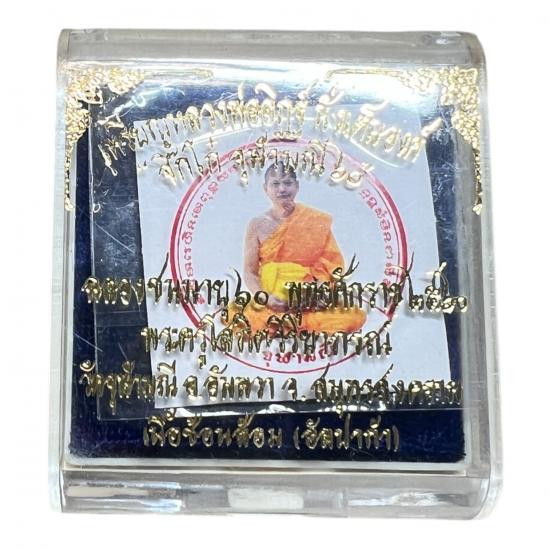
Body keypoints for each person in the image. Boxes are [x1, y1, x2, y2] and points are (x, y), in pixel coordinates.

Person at [233, 161, 366, 333]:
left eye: (287, 183)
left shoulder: (315, 220)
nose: (282, 189)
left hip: (307, 299)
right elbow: (250, 272)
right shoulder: (256, 225)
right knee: (238, 318)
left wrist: (315, 294)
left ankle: (295, 324)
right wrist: (265, 298)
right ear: (265, 188)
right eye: (275, 184)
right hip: (272, 299)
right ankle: (284, 324)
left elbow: (332, 265)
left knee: (352, 316)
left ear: (297, 186)